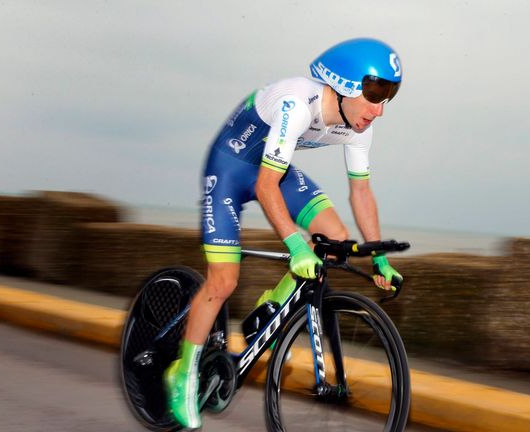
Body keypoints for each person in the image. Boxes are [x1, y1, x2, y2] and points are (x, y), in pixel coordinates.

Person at [163, 37, 405, 429]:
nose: (378, 110)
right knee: (223, 280)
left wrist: (379, 258)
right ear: (342, 84)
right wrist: (295, 245)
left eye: (388, 97)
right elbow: (264, 187)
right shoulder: (297, 105)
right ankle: (182, 373)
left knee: (335, 239)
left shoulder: (360, 124)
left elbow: (361, 191)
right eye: (373, 94)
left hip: (274, 170)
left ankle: (272, 309)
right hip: (230, 168)